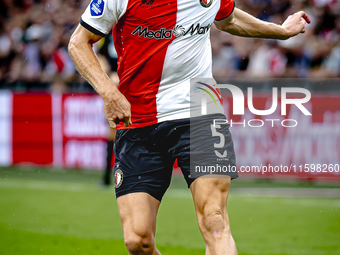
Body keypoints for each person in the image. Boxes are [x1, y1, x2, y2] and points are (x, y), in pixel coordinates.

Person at [68, 0, 310, 254]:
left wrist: (280, 31)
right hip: (138, 120)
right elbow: (78, 42)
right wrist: (109, 93)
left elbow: (228, 19)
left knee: (214, 220)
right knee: (137, 241)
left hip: (200, 113)